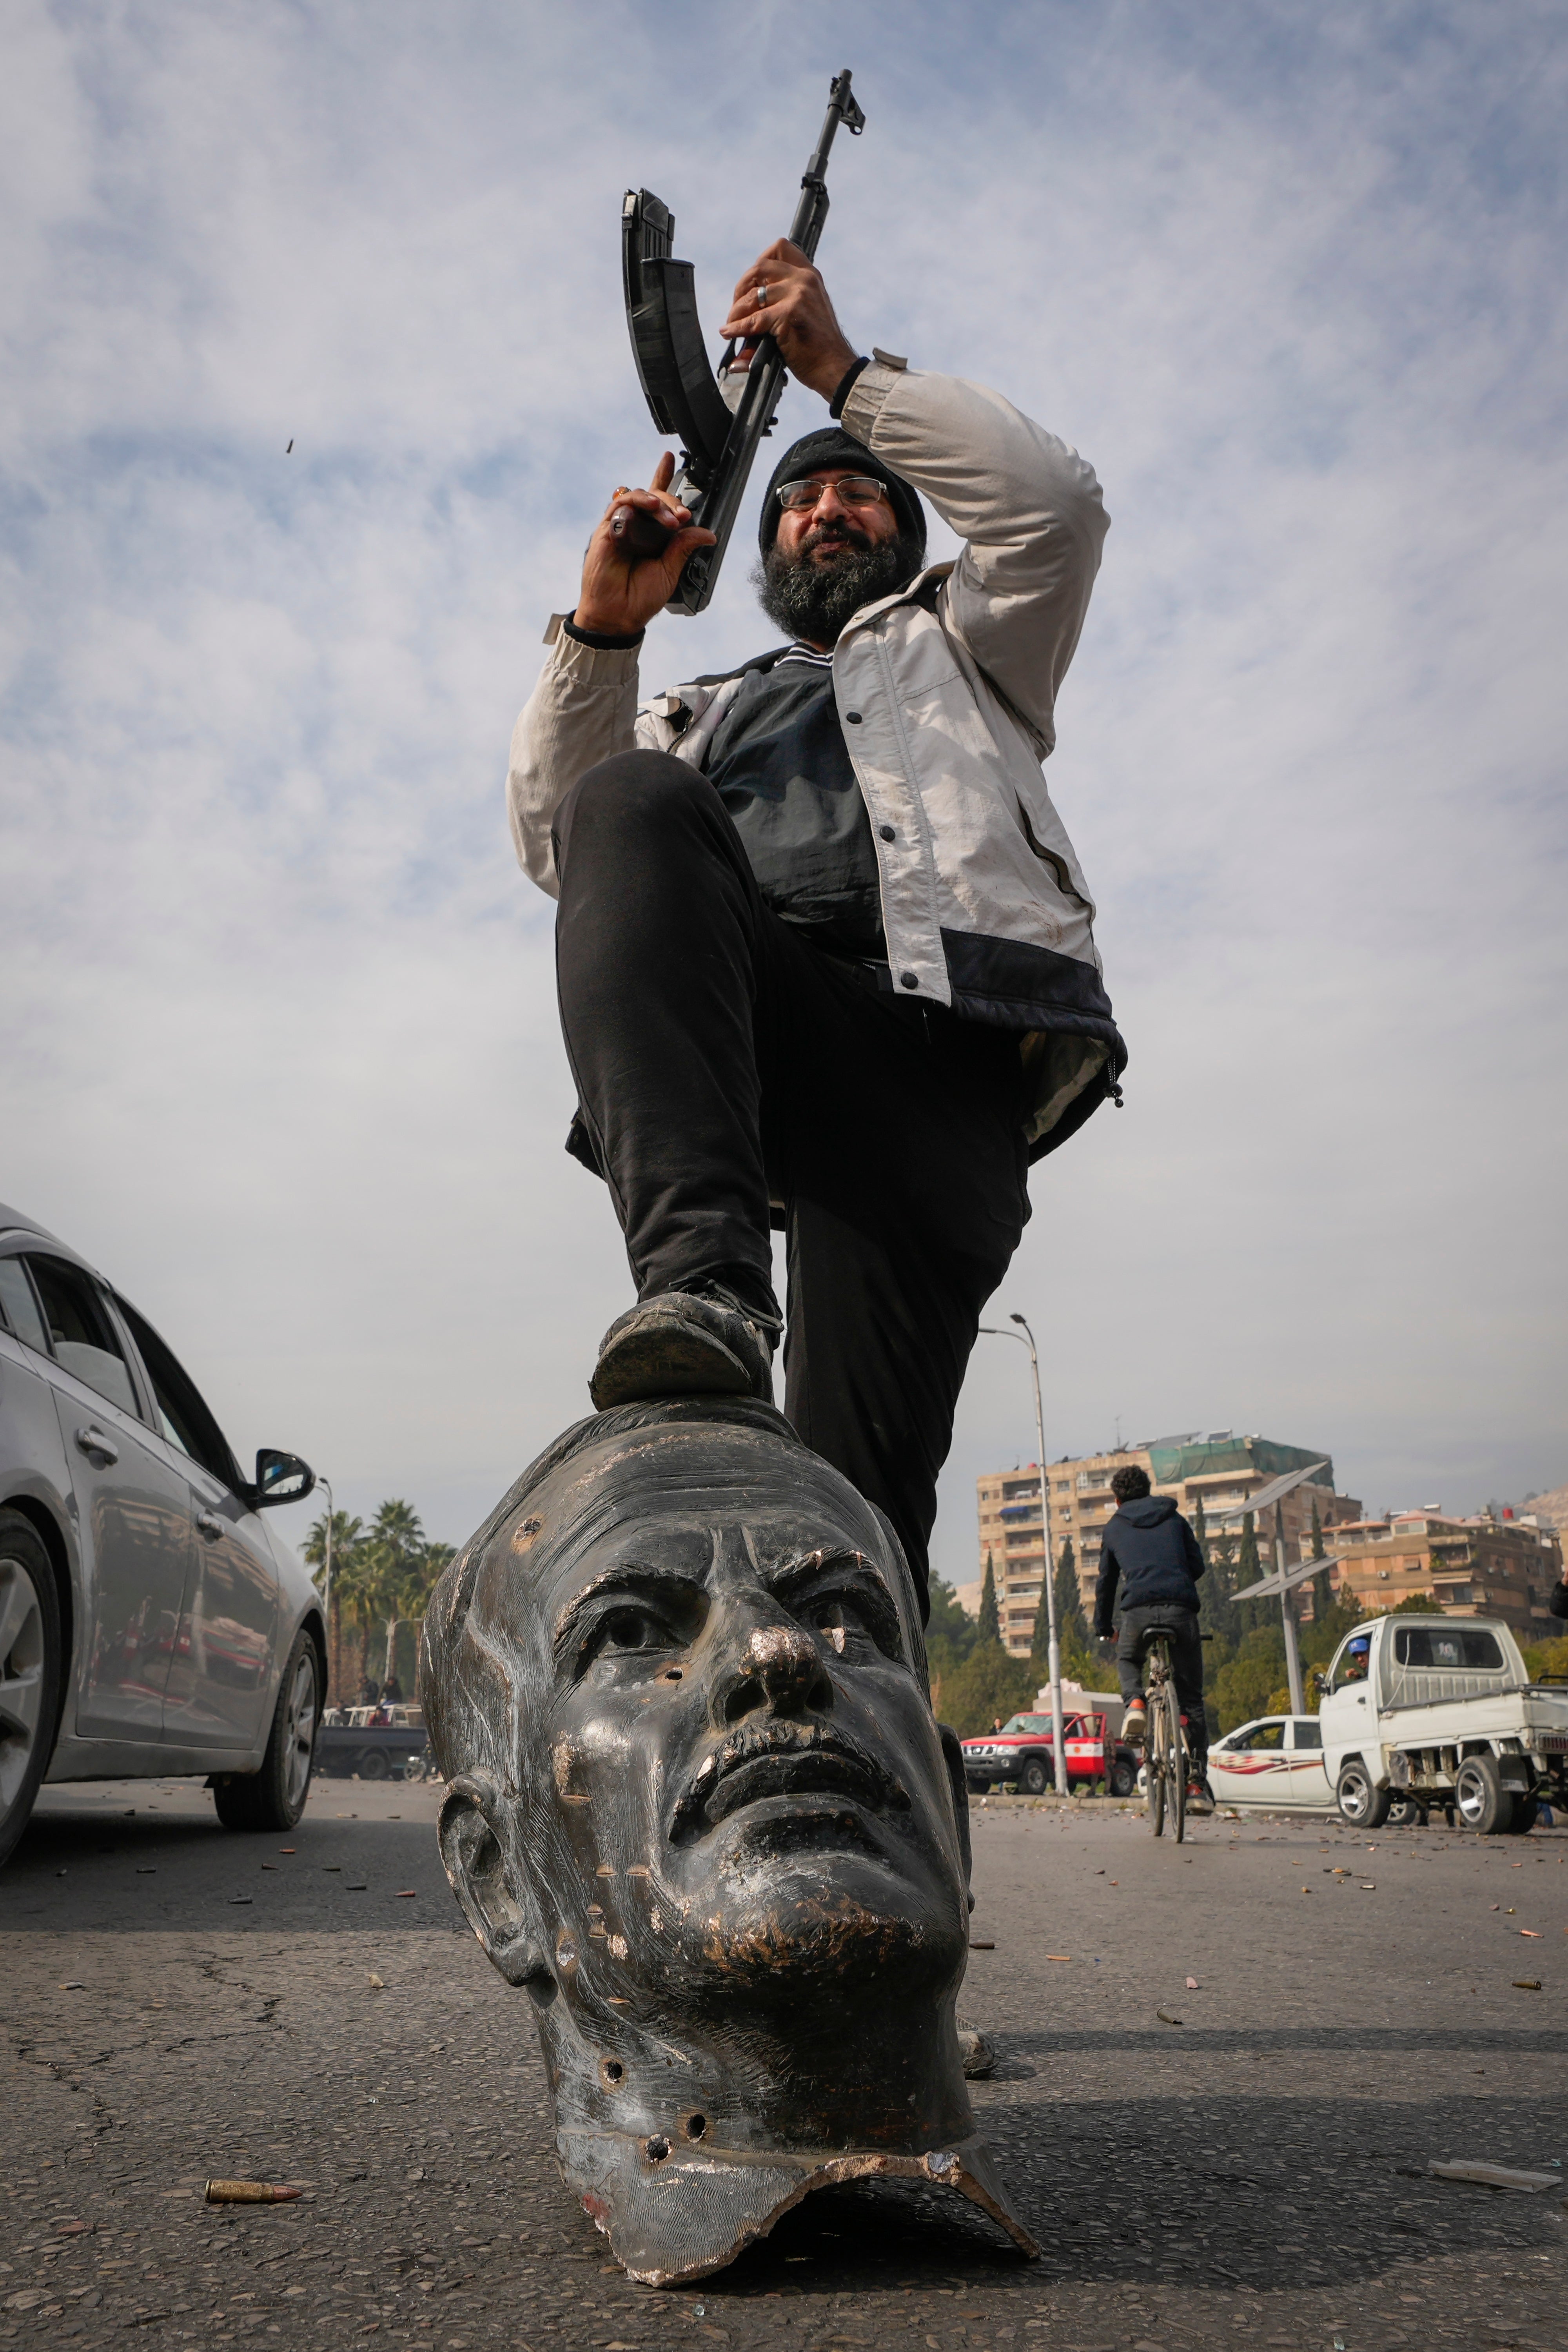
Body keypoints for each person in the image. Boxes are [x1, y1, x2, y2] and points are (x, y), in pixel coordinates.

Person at [507, 234, 1123, 1614]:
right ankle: (707, 1296)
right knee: (632, 800)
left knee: (848, 1551)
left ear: (907, 534)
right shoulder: (699, 707)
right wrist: (604, 635)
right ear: (759, 544)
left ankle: (879, 1780)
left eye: (859, 493)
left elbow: (1055, 512)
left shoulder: (969, 647)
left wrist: (843, 377)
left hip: (934, 1069)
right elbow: (565, 848)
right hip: (761, 1046)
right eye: (799, 500)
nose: (828, 509)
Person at [1093, 1464, 1211, 1814]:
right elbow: (1198, 1566)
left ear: (1117, 1500)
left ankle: (1136, 1704)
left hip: (1138, 1613)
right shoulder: (1174, 1518)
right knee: (1191, 1701)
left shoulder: (1115, 1527)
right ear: (1148, 1491)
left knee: (1129, 1658)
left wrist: (1104, 1626)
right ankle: (1195, 1784)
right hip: (1181, 1611)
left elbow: (1106, 1583)